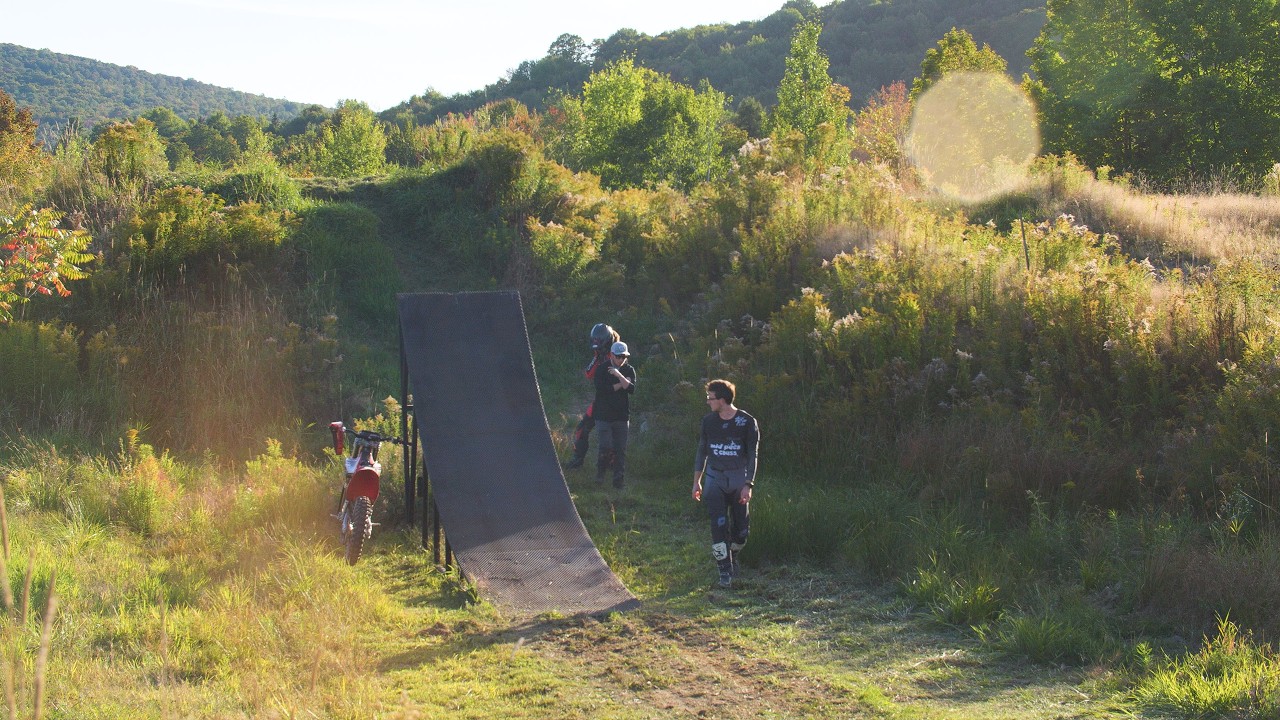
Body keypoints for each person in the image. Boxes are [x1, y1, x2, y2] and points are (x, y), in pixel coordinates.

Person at [692, 379, 759, 588]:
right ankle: (724, 570)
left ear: (722, 400)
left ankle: (733, 554)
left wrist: (748, 484)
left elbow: (753, 455)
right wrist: (697, 482)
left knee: (741, 533)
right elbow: (701, 451)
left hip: (739, 478)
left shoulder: (747, 422)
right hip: (715, 478)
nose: (708, 402)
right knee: (718, 527)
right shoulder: (708, 422)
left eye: (710, 398)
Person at [565, 323, 619, 470]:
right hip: (600, 401)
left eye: (598, 341)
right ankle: (577, 461)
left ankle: (613, 464)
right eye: (594, 340)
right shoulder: (600, 355)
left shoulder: (617, 353)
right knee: (582, 429)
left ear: (606, 340)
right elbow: (588, 374)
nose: (595, 343)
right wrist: (598, 356)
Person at [593, 340, 636, 488]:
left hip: (621, 416)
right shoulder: (602, 369)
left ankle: (618, 481)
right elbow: (603, 390)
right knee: (605, 446)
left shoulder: (629, 370)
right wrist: (622, 384)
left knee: (620, 450)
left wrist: (619, 375)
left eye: (623, 357)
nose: (620, 359)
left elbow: (631, 389)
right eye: (618, 356)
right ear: (611, 355)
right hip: (603, 415)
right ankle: (600, 475)